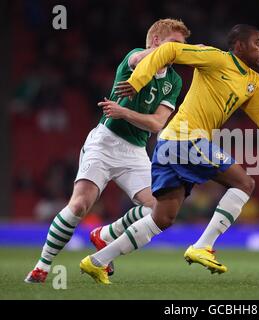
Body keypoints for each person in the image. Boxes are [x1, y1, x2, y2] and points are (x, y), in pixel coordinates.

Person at [80, 24, 259, 284]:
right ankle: (203, 246)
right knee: (245, 182)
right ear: (239, 46)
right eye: (257, 42)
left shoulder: (253, 82)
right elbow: (170, 50)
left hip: (169, 143)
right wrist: (137, 80)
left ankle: (97, 261)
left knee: (163, 218)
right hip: (185, 138)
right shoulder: (215, 58)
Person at [24, 18, 191, 283]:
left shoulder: (174, 81)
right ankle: (42, 265)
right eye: (175, 45)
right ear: (157, 42)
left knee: (158, 209)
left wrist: (124, 111)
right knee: (79, 205)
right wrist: (159, 54)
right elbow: (139, 61)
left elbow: (157, 123)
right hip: (105, 142)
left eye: (184, 47)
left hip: (135, 151)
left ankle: (105, 235)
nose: (180, 51)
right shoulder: (134, 58)